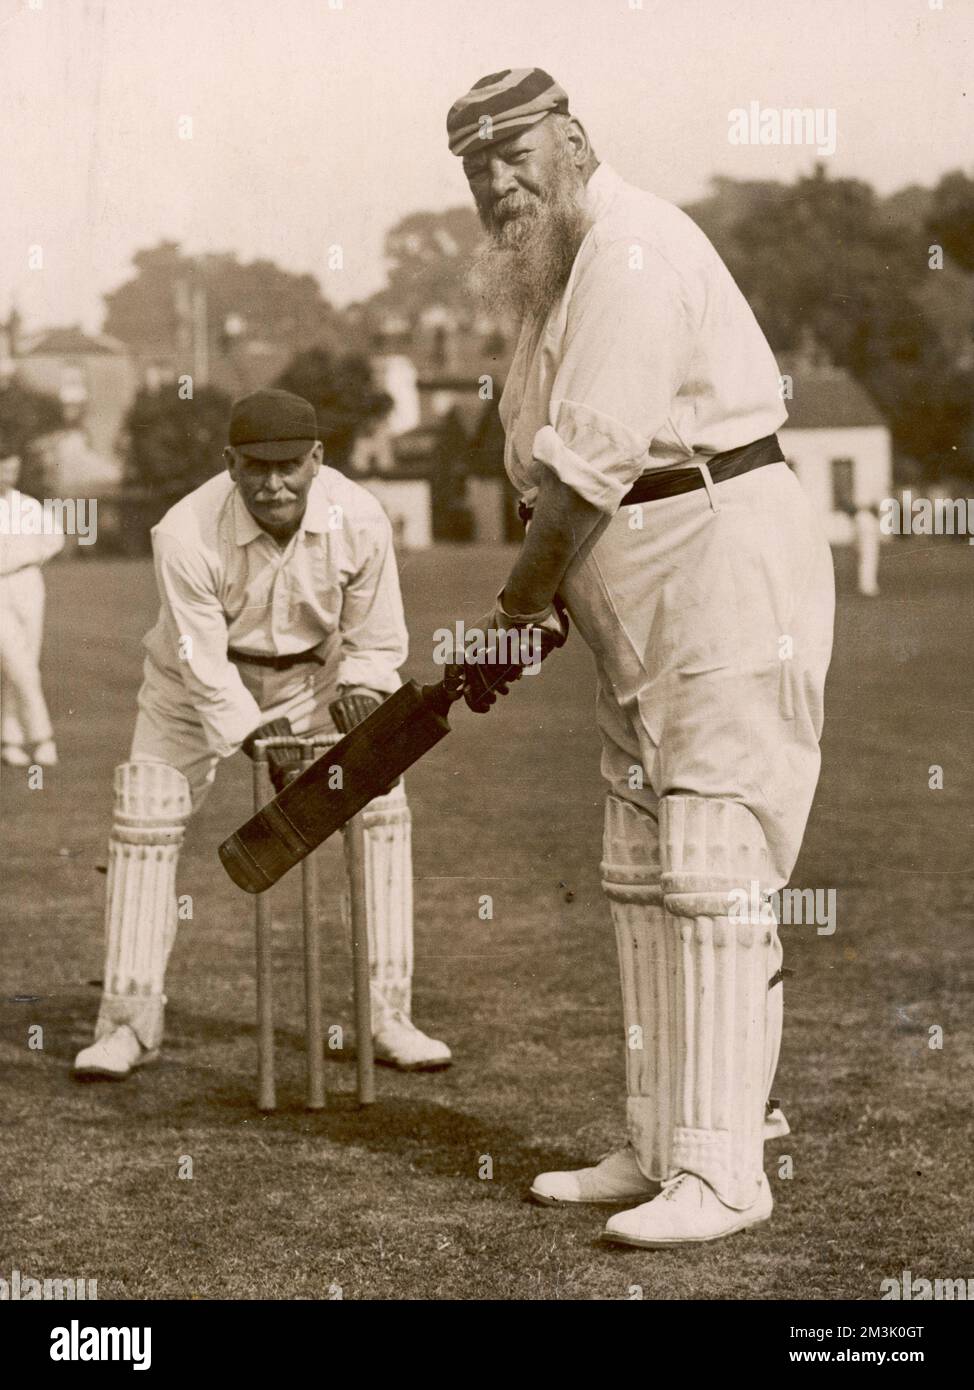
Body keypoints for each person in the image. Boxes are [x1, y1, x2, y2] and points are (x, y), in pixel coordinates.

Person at [447, 69, 834, 1246]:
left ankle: (724, 1172)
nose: (497, 182)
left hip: (717, 565)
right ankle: (660, 1140)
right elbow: (550, 472)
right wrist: (549, 601)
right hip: (629, 585)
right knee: (634, 867)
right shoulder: (552, 276)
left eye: (515, 153)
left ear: (572, 138)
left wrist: (516, 607)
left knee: (714, 861)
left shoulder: (628, 252)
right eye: (475, 169)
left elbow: (588, 469)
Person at [73, 388, 450, 1079]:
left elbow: (376, 639)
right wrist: (257, 736)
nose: (273, 484)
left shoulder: (360, 518)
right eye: (255, 468)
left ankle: (388, 1016)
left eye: (289, 467)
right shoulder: (184, 531)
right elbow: (200, 660)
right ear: (230, 463)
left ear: (317, 459)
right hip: (191, 686)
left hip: (316, 678)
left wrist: (364, 692)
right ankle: (127, 1024)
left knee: (383, 811)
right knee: (146, 814)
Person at [0, 448, 63, 768]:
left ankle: (10, 740)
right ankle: (42, 738)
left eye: (12, 470)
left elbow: (54, 538)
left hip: (28, 583)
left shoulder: (28, 505)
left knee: (26, 662)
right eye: (3, 469)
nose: (8, 476)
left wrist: (34, 555)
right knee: (17, 663)